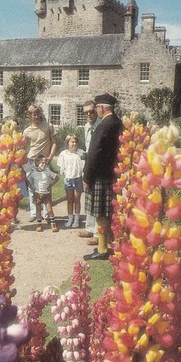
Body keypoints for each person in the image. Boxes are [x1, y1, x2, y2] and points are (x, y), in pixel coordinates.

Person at [82, 93, 123, 260]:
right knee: (107, 213)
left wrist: (87, 176)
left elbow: (94, 153)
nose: (96, 110)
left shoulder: (104, 125)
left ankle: (102, 249)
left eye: (97, 107)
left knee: (100, 214)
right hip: (112, 173)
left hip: (99, 175)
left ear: (101, 108)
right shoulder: (118, 123)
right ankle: (106, 245)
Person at [23, 105, 58, 221]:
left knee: (46, 186)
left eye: (38, 113)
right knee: (32, 188)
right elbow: (23, 147)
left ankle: (47, 214)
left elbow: (54, 143)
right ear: (29, 116)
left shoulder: (49, 126)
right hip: (32, 161)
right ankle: (34, 213)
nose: (36, 116)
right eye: (33, 114)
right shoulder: (27, 131)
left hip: (44, 161)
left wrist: (51, 156)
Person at [79, 100, 101, 246]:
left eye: (91, 111)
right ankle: (89, 228)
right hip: (89, 165)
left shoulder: (101, 126)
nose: (88, 114)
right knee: (89, 197)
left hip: (99, 167)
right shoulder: (87, 127)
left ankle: (99, 234)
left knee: (98, 200)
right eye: (85, 112)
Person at [57, 134, 85, 228]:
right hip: (68, 179)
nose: (74, 144)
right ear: (67, 143)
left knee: (77, 199)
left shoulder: (81, 153)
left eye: (76, 142)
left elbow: (84, 166)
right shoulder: (63, 154)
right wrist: (64, 175)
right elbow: (62, 167)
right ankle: (70, 219)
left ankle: (76, 220)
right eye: (72, 142)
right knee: (70, 200)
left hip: (78, 178)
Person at [26, 155, 59, 232]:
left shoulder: (47, 171)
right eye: (42, 163)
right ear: (37, 163)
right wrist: (32, 188)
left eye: (45, 163)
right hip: (38, 194)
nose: (44, 165)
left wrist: (50, 185)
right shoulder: (33, 173)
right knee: (38, 209)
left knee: (49, 209)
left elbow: (57, 177)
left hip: (46, 193)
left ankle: (53, 223)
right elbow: (28, 180)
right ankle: (39, 224)